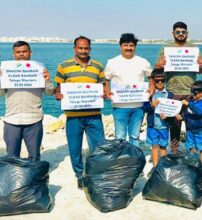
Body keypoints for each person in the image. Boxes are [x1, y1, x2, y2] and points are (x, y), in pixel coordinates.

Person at [55, 36, 109, 189]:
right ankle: (79, 175)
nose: (83, 51)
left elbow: (102, 88)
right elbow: (58, 90)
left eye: (86, 48)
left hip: (94, 116)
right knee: (74, 148)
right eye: (80, 48)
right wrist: (58, 95)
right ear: (75, 48)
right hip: (73, 117)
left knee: (98, 147)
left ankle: (95, 174)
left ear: (90, 49)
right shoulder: (63, 66)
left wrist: (103, 95)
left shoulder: (98, 66)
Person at [0, 41, 54, 161]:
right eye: (18, 52)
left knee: (34, 157)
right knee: (11, 157)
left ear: (30, 53)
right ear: (13, 54)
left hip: (34, 119)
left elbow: (50, 93)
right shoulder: (6, 71)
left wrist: (47, 80)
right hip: (12, 119)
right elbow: (1, 93)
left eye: (24, 51)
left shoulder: (39, 69)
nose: (21, 54)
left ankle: (33, 180)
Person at [155, 21, 202, 154]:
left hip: (190, 91)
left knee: (191, 123)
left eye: (183, 32)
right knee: (174, 124)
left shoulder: (194, 49)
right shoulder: (166, 48)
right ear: (173, 33)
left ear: (187, 33)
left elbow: (200, 71)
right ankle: (175, 151)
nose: (181, 34)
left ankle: (192, 150)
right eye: (178, 32)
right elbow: (157, 69)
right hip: (172, 91)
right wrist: (160, 64)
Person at [104, 33, 152, 146]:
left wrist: (152, 88)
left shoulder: (143, 61)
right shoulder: (112, 62)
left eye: (131, 45)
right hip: (119, 106)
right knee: (119, 136)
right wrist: (107, 90)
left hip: (138, 106)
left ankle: (134, 160)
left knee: (135, 136)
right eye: (126, 45)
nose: (128, 48)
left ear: (135, 46)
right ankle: (120, 159)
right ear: (120, 46)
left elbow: (151, 76)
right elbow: (106, 79)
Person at [143, 69, 174, 177]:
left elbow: (173, 110)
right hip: (152, 125)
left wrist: (168, 116)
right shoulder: (150, 94)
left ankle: (163, 165)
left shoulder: (170, 94)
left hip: (164, 126)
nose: (160, 83)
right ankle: (155, 166)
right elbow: (144, 107)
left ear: (165, 80)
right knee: (154, 146)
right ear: (153, 81)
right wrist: (152, 105)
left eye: (162, 80)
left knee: (163, 146)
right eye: (157, 81)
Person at [181, 80, 202, 168]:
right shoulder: (192, 102)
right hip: (190, 130)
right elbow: (188, 114)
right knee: (191, 147)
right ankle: (193, 163)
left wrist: (188, 104)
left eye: (196, 93)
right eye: (192, 92)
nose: (193, 94)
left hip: (201, 130)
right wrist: (182, 118)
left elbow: (199, 111)